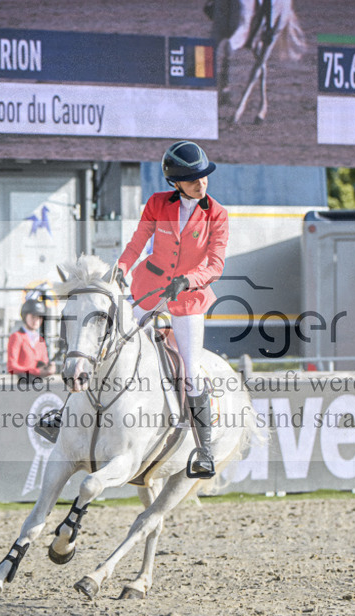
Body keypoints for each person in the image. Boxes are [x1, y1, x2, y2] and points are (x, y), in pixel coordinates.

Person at [117, 140, 229, 479]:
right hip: (148, 289)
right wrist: (120, 268)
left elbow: (216, 264)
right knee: (112, 344)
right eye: (193, 179)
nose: (201, 183)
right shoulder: (156, 204)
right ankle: (67, 415)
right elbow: (138, 241)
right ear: (175, 182)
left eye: (204, 176)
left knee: (191, 370)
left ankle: (204, 449)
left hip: (188, 301)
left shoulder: (217, 214)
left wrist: (189, 279)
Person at [7, 298, 56, 378]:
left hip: (38, 383)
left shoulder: (41, 340)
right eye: (33, 316)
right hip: (21, 383)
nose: (36, 320)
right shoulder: (16, 337)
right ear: (25, 316)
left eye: (39, 317)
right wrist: (36, 371)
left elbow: (43, 363)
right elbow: (11, 367)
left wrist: (49, 368)